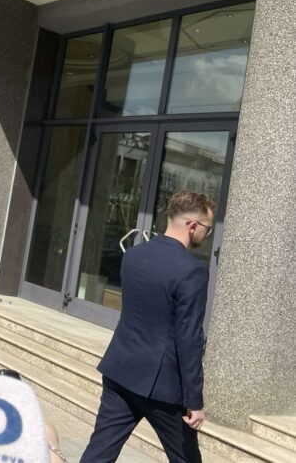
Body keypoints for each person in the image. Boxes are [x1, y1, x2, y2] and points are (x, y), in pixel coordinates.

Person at [80, 190, 215, 463]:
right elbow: (189, 337)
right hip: (162, 386)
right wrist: (194, 401)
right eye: (207, 229)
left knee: (99, 454)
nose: (207, 235)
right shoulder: (192, 271)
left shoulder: (133, 255)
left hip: (120, 371)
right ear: (192, 226)